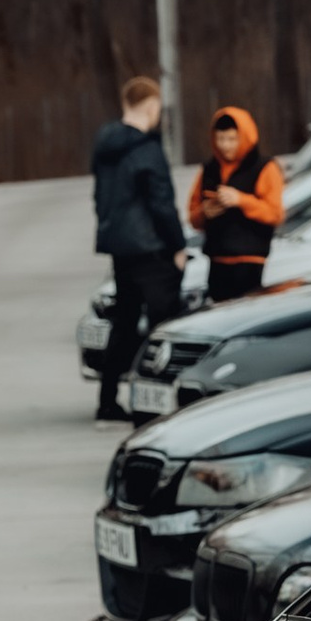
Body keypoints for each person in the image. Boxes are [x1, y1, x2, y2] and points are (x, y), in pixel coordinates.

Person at [90, 72, 184, 425]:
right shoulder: (147, 149)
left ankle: (108, 400)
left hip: (120, 247)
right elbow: (161, 203)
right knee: (163, 325)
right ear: (150, 105)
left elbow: (101, 199)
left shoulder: (105, 146)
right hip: (151, 249)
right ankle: (152, 403)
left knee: (124, 322)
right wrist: (176, 246)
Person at [188, 103, 285, 306]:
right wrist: (205, 212)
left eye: (232, 139)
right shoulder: (208, 169)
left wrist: (240, 200)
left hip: (251, 261)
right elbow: (193, 218)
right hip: (217, 262)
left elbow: (275, 214)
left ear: (244, 137)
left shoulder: (264, 167)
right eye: (221, 139)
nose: (226, 145)